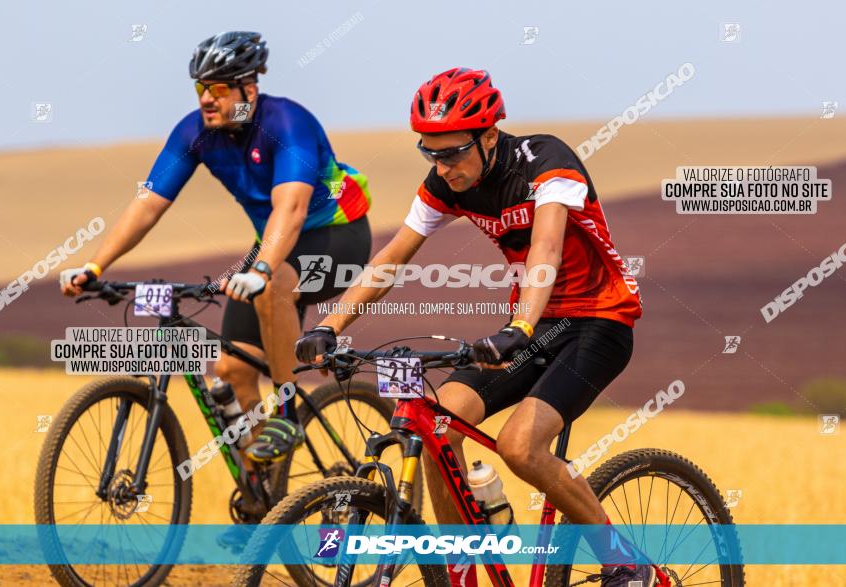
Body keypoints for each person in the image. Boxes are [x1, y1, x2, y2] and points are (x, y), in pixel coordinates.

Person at [295, 68, 648, 586]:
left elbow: (546, 249)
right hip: (531, 325)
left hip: (598, 321)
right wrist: (330, 325)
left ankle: (625, 562)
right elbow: (393, 257)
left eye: (453, 152)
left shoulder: (548, 163)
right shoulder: (449, 182)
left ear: (488, 136)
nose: (443, 166)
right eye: (430, 153)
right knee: (435, 425)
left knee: (520, 448)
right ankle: (463, 570)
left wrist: (521, 327)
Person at [59, 31, 372, 547]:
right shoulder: (196, 132)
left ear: (249, 88)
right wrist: (95, 265)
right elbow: (148, 204)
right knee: (231, 370)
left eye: (221, 87)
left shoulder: (286, 123)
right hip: (271, 244)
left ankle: (289, 412)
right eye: (202, 86)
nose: (207, 97)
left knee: (274, 289)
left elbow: (291, 211)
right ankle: (266, 498)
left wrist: (265, 269)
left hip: (337, 236)